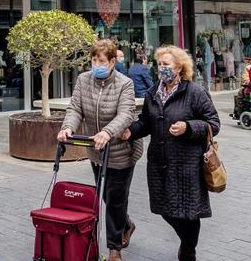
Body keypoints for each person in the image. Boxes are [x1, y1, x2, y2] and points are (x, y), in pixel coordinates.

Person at [121, 46, 220, 261]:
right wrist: (130, 132)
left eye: (166, 65)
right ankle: (187, 242)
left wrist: (189, 127)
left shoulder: (194, 92)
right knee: (165, 209)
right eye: (159, 65)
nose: (161, 69)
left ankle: (187, 250)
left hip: (187, 164)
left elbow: (213, 124)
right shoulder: (152, 92)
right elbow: (146, 123)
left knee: (189, 212)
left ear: (179, 67)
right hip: (159, 162)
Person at [58, 39, 142, 261]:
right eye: (94, 60)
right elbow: (75, 108)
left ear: (113, 61)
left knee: (115, 198)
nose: (97, 64)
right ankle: (126, 224)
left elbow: (126, 113)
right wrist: (68, 127)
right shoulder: (84, 80)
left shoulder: (125, 84)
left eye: (102, 61)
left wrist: (107, 131)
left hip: (121, 151)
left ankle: (114, 249)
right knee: (105, 195)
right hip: (96, 151)